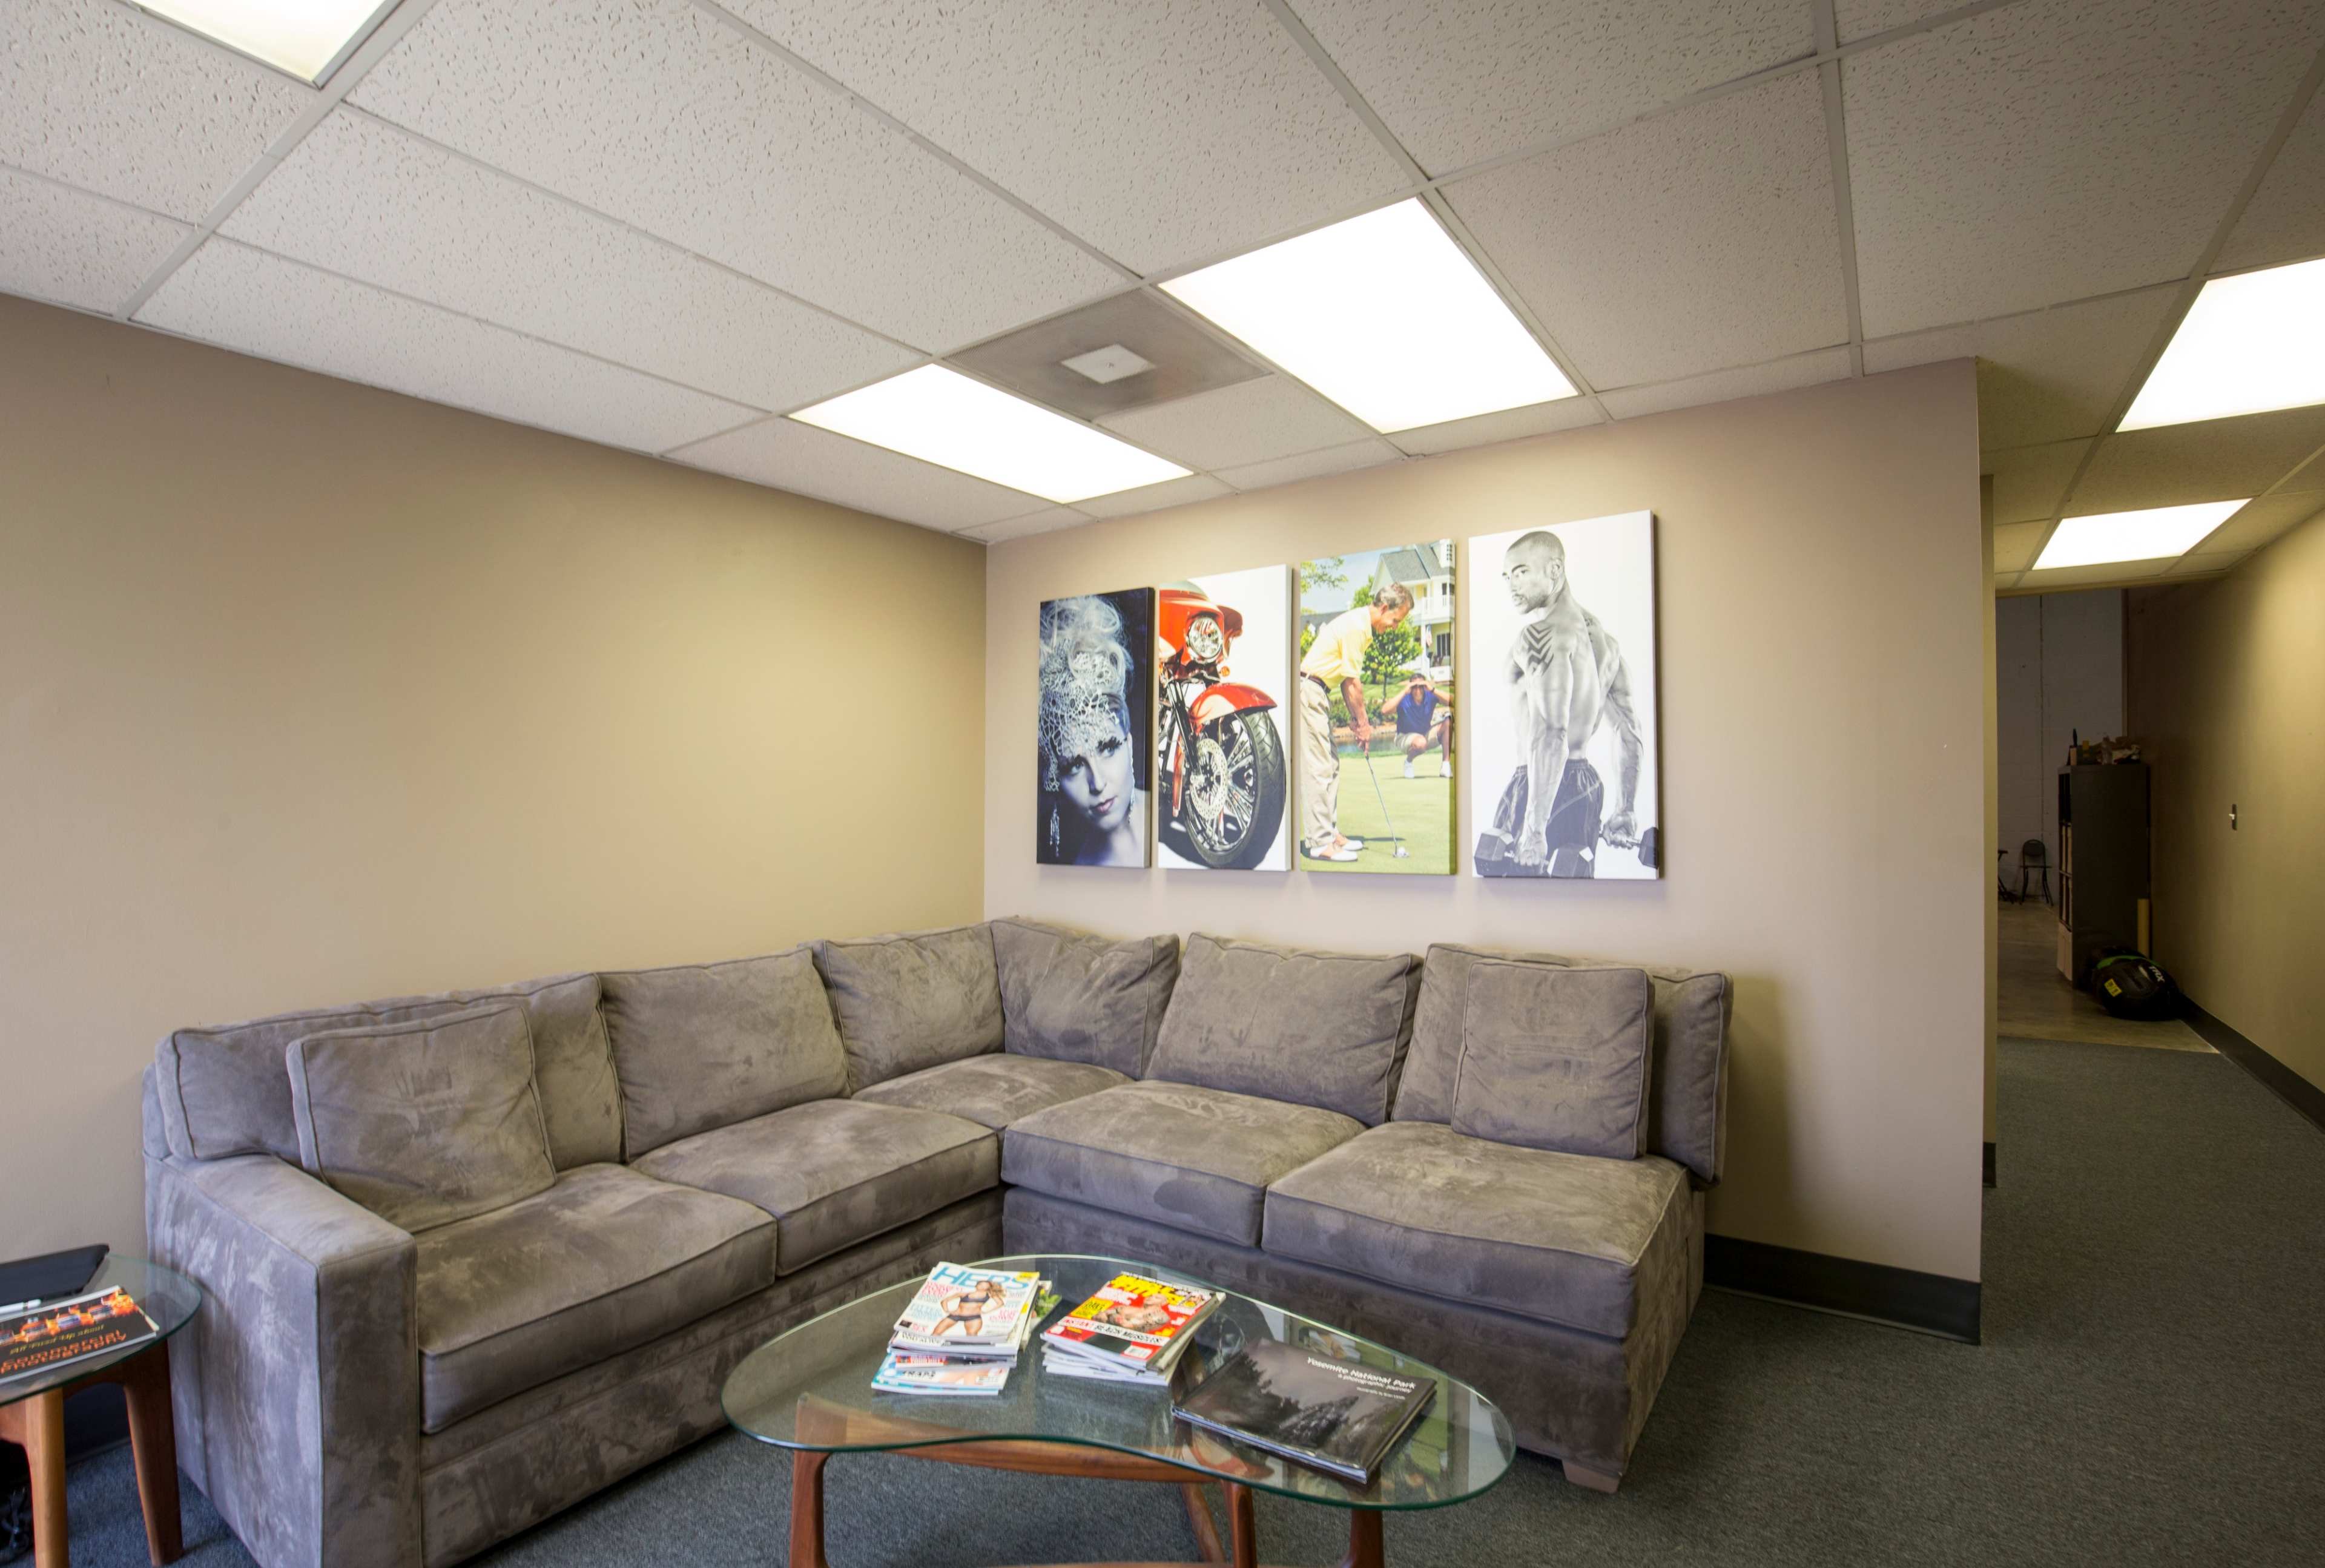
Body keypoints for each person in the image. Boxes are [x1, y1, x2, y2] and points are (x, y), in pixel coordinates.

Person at [1476, 530, 1644, 878]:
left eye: (1522, 572)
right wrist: (1625, 809)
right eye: (1508, 576)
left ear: (1555, 571)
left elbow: (1551, 732)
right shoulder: (1606, 643)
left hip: (1538, 784)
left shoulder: (1540, 636)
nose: (1512, 585)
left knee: (1513, 911)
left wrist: (1535, 830)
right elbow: (1627, 729)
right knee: (1571, 908)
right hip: (1585, 786)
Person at [1297, 582, 1413, 861]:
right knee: (1318, 768)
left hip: (1318, 692)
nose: (1396, 626)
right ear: (1384, 608)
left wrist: (1354, 717)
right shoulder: (1357, 628)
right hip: (1310, 690)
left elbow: (1347, 680)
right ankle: (1319, 842)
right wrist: (1363, 724)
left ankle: (1329, 831)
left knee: (1331, 764)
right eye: (1396, 620)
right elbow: (1353, 684)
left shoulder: (1361, 626)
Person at [1038, 595, 1146, 866]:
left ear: (1129, 742)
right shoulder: (1080, 870)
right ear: (1055, 780)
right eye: (1074, 765)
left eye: (1108, 748)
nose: (1097, 784)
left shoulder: (1177, 826)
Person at [1393, 673, 1453, 779]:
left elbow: (1452, 701)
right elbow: (1384, 710)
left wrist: (1432, 689)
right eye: (1414, 687)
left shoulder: (1430, 695)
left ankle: (1445, 766)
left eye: (1421, 686)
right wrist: (1404, 691)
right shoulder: (1405, 699)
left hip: (1425, 734)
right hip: (1404, 737)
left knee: (1448, 722)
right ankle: (1408, 762)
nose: (1418, 690)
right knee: (1421, 743)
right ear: (1410, 688)